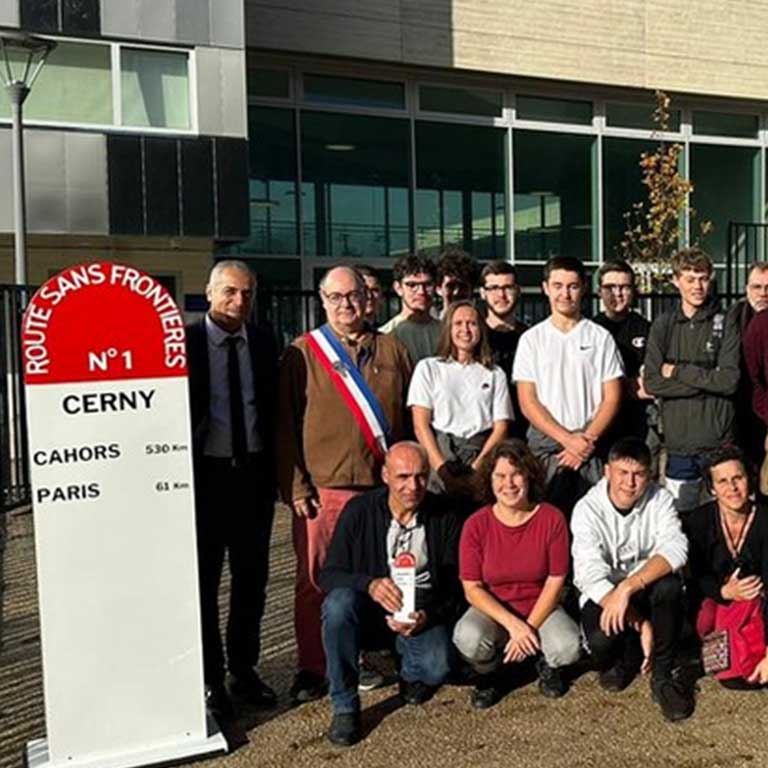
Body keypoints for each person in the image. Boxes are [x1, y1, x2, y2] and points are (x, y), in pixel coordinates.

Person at [277, 265, 413, 704]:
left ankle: (369, 657)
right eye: (335, 298)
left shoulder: (393, 350)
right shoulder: (303, 352)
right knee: (315, 581)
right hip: (325, 489)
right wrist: (296, 485)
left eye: (353, 295)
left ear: (368, 298)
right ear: (322, 300)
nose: (346, 305)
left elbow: (409, 420)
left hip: (380, 490)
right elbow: (284, 426)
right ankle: (314, 667)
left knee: (379, 576)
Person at [319, 442, 462, 746]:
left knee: (438, 668)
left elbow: (454, 587)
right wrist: (368, 584)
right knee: (337, 606)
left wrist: (427, 615)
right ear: (385, 475)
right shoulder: (359, 511)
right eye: (403, 477)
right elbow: (329, 574)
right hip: (369, 608)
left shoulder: (444, 515)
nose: (413, 486)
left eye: (421, 476)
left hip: (420, 611)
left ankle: (409, 671)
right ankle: (345, 704)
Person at [186, 259, 279, 719]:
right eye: (229, 292)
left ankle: (244, 670)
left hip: (253, 481)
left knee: (252, 582)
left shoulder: (264, 342)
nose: (238, 301)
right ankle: (209, 678)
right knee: (203, 584)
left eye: (246, 293)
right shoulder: (184, 344)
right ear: (208, 292)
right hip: (204, 480)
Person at [571, 437, 693, 722]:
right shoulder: (587, 509)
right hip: (604, 592)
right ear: (606, 472)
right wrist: (641, 623)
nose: (630, 482)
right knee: (601, 643)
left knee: (670, 586)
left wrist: (628, 587)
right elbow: (588, 573)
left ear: (648, 475)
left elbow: (677, 549)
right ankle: (628, 654)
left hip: (638, 588)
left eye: (638, 474)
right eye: (622, 473)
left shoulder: (660, 499)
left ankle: (662, 677)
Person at [453, 440, 581, 708]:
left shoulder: (551, 518)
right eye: (500, 476)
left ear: (529, 476)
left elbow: (556, 579)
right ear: (489, 480)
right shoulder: (476, 524)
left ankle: (546, 663)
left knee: (567, 647)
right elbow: (472, 588)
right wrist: (514, 626)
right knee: (469, 638)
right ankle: (490, 674)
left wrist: (528, 628)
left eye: (516, 474)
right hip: (493, 609)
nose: (508, 484)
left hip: (541, 607)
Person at [513, 256, 623, 515]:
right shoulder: (532, 340)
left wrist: (584, 443)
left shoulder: (600, 337)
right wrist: (566, 441)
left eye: (572, 286)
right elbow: (528, 401)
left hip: (590, 449)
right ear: (546, 288)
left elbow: (612, 397)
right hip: (547, 451)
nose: (565, 293)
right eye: (558, 285)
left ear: (583, 288)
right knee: (546, 525)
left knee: (594, 525)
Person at [643, 248, 740, 512]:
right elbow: (652, 383)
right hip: (679, 446)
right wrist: (708, 381)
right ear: (676, 280)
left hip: (718, 442)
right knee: (682, 520)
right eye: (690, 279)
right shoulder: (663, 325)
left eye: (703, 278)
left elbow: (729, 381)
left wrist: (677, 371)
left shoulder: (726, 321)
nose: (697, 286)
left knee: (722, 516)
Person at [409, 300, 512, 511]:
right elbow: (421, 425)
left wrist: (478, 468)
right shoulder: (428, 368)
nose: (465, 330)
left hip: (481, 454)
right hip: (440, 452)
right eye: (458, 324)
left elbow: (501, 427)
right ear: (448, 328)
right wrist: (441, 469)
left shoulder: (494, 373)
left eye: (472, 323)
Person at [684, 446, 768, 689]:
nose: (732, 488)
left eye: (737, 478)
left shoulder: (764, 519)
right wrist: (724, 592)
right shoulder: (699, 520)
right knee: (706, 619)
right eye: (722, 481)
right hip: (719, 598)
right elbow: (697, 575)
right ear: (711, 488)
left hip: (760, 600)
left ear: (749, 479)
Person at [593, 260, 658, 469]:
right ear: (599, 291)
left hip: (639, 422)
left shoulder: (648, 329)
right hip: (599, 424)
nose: (617, 293)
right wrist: (628, 386)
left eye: (624, 287)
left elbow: (654, 384)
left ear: (633, 290)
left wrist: (612, 388)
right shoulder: (591, 330)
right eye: (610, 287)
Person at [479, 261, 529, 439]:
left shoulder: (531, 339)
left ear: (518, 291)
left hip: (524, 432)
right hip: (482, 434)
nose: (501, 294)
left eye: (508, 287)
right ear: (483, 293)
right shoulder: (473, 337)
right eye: (493, 288)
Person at [731, 262, 768, 467]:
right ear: (747, 289)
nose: (763, 293)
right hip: (739, 410)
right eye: (757, 287)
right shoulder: (733, 318)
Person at [379, 253, 442, 363]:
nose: (421, 292)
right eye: (412, 285)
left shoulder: (448, 332)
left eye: (427, 285)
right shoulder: (385, 335)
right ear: (398, 288)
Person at [434, 248, 478, 318]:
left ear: (471, 289)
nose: (456, 292)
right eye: (450, 286)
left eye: (462, 286)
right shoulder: (429, 327)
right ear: (438, 289)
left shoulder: (481, 326)